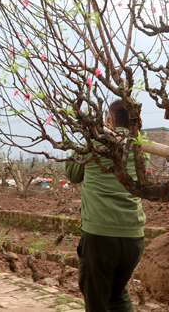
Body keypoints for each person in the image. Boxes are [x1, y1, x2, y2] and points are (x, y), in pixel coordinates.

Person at [65, 99, 148, 312]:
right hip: (133, 238)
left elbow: (73, 174)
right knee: (116, 293)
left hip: (100, 237)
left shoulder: (95, 143)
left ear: (108, 120)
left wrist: (79, 142)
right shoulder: (141, 146)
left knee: (97, 301)